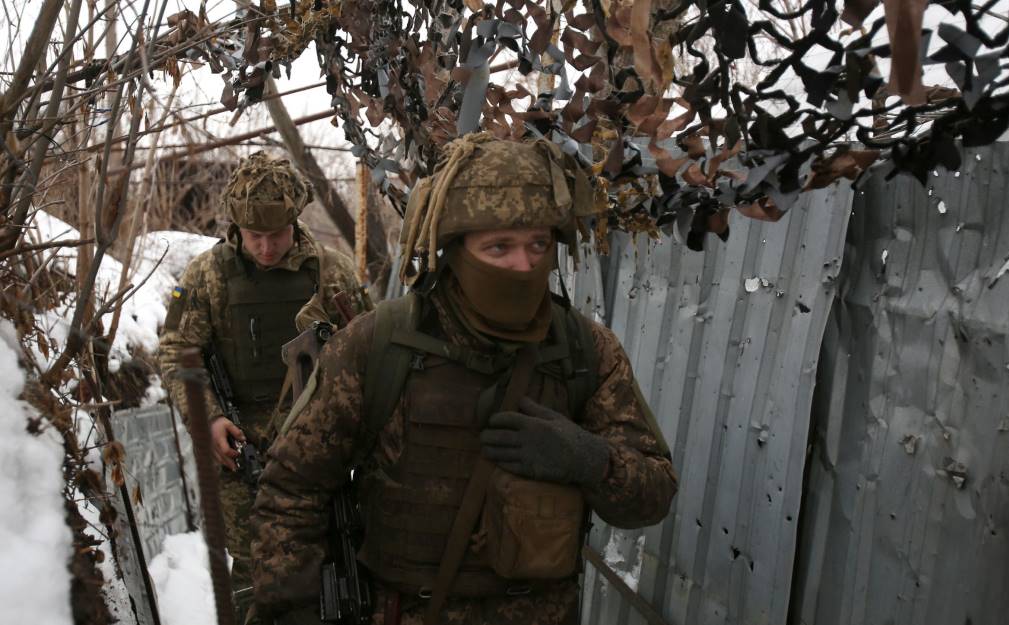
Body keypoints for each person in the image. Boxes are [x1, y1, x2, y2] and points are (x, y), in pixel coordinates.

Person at [251, 134, 677, 625]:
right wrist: (291, 608)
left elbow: (654, 495)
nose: (524, 265)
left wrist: (589, 459)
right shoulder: (377, 345)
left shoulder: (585, 352)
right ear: (453, 248)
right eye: (499, 247)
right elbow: (290, 492)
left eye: (538, 244)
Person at [157, 152, 368, 616]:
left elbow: (368, 356)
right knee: (255, 574)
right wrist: (208, 418)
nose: (267, 248)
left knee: (331, 567)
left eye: (277, 235)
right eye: (255, 237)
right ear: (237, 228)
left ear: (295, 221)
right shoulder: (206, 276)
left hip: (320, 451)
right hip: (242, 454)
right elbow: (173, 351)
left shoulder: (332, 273)